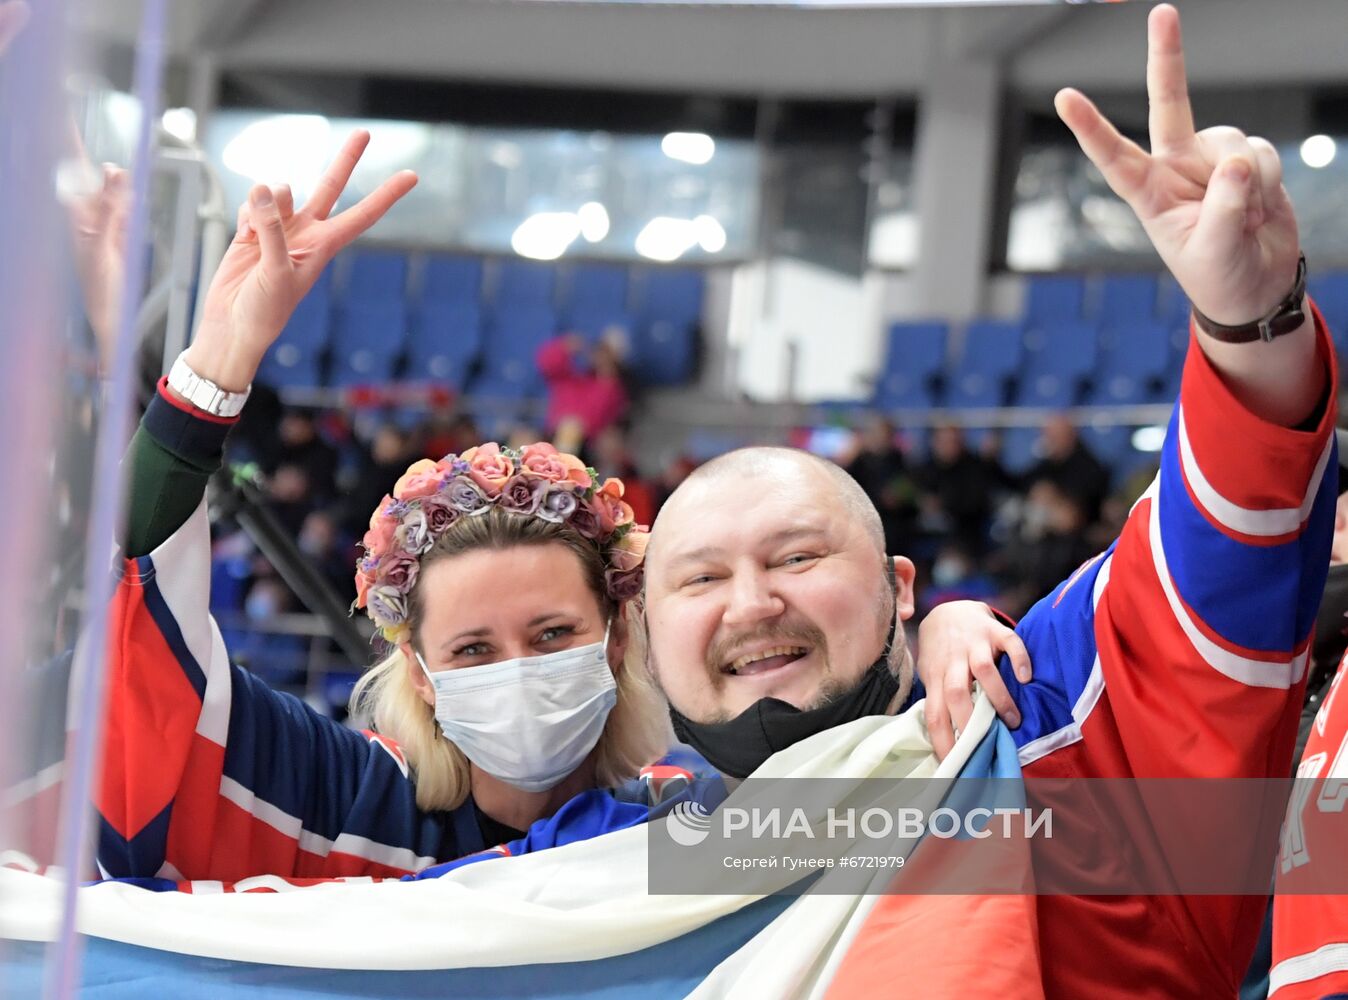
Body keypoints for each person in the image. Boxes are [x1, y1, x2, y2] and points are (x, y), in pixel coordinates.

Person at [635, 7, 1335, 998]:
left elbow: (1221, 549)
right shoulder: (612, 853)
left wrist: (1247, 320)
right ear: (642, 624)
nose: (750, 603)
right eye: (700, 578)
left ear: (898, 587)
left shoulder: (1054, 731)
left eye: (797, 559)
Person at [95, 132, 675, 885]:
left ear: (617, 636)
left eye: (554, 633)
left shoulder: (693, 826)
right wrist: (218, 362)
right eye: (473, 650)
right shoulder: (328, 798)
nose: (520, 673)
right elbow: (146, 614)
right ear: (421, 672)